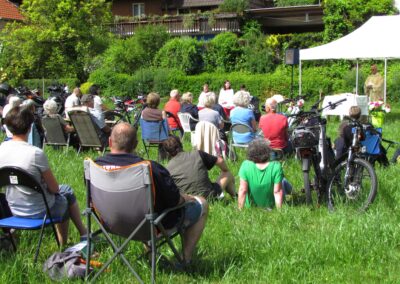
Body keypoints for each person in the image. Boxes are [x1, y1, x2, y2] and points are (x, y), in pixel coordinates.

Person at [95, 123, 208, 266]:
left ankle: (151, 253)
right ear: (135, 145)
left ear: (110, 142)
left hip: (111, 224)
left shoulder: (95, 166)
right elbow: (174, 201)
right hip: (148, 227)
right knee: (202, 203)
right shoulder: (150, 168)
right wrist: (186, 198)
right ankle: (185, 260)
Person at [0, 106, 87, 245]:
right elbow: (55, 189)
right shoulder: (35, 153)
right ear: (29, 127)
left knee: (65, 192)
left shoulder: (1, 149)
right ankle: (66, 242)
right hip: (40, 211)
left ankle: (81, 235)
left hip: (14, 209)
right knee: (66, 195)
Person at [163, 135, 236, 199]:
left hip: (189, 201)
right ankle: (235, 196)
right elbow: (220, 161)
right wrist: (225, 170)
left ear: (167, 153)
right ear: (181, 144)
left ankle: (234, 196)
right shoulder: (198, 154)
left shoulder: (167, 169)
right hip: (209, 196)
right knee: (227, 173)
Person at [238, 139, 290, 210]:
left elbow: (242, 190)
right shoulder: (276, 166)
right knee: (283, 181)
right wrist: (279, 211)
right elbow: (277, 191)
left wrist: (240, 209)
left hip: (251, 207)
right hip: (272, 207)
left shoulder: (245, 165)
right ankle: (293, 192)